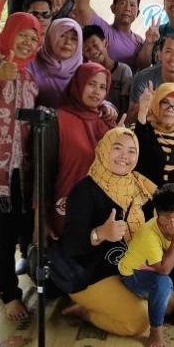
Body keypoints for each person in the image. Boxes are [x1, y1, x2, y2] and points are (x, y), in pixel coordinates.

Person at [61, 128, 159, 337]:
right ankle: (87, 313)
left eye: (132, 151)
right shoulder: (84, 190)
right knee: (139, 322)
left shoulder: (141, 186)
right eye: (117, 148)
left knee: (169, 302)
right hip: (90, 273)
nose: (125, 156)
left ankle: (115, 304)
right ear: (104, 149)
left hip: (127, 268)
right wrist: (100, 233)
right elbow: (69, 245)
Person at [0, 12, 42, 321]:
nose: (27, 42)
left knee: (19, 227)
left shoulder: (31, 78)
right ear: (9, 33)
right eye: (22, 35)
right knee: (0, 232)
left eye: (33, 39)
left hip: (21, 170)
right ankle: (8, 293)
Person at [118, 184, 174, 347]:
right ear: (164, 220)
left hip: (163, 266)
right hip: (135, 274)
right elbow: (163, 270)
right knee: (163, 282)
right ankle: (156, 330)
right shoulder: (148, 234)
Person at [51, 62, 115, 235]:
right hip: (64, 208)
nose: (96, 92)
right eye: (91, 84)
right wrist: (40, 221)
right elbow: (43, 175)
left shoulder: (106, 122)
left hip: (100, 213)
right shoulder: (58, 120)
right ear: (79, 83)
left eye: (102, 87)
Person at [28, 17, 83, 108]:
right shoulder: (31, 62)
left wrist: (106, 106)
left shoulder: (84, 69)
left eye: (74, 38)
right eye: (62, 36)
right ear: (51, 37)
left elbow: (95, 94)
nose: (67, 42)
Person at [83, 23, 132, 117]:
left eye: (95, 45)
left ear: (105, 42)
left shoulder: (123, 71)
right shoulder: (87, 74)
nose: (93, 51)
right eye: (87, 50)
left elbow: (126, 108)